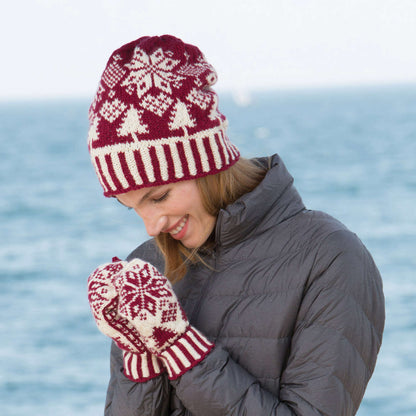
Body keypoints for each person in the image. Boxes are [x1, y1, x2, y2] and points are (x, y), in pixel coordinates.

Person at [86, 35, 385, 416]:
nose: (151, 227)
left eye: (159, 196)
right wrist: (139, 361)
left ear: (205, 163)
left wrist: (181, 349)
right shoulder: (148, 271)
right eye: (132, 208)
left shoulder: (330, 257)